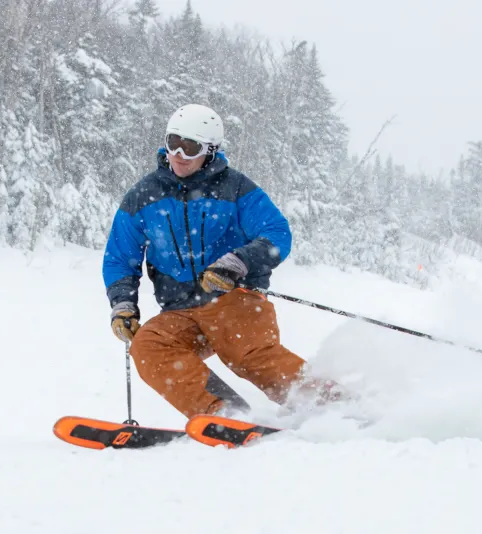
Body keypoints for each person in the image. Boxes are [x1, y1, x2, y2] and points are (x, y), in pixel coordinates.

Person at [102, 103, 335, 419]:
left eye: (191, 147)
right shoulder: (145, 195)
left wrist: (238, 261)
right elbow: (120, 256)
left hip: (234, 298)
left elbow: (277, 233)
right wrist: (123, 305)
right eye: (174, 143)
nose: (179, 155)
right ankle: (225, 412)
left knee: (248, 355)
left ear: (210, 151)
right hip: (179, 309)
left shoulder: (235, 188)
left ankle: (336, 406)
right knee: (149, 346)